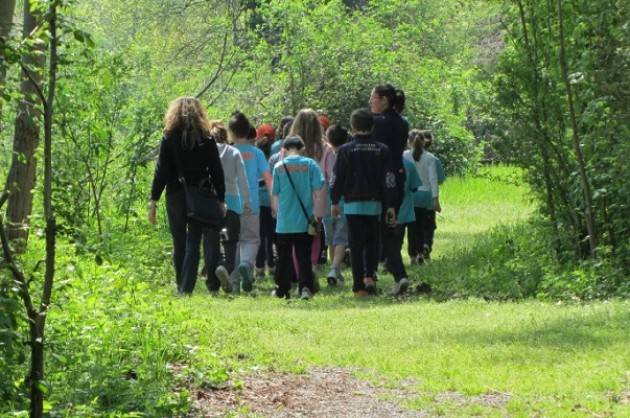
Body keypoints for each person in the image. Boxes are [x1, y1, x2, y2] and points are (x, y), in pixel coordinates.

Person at [149, 97, 225, 294]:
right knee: (193, 242)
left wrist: (154, 199)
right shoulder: (206, 139)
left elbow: (161, 170)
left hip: (175, 194)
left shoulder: (169, 138)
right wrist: (221, 198)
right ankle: (186, 288)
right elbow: (216, 170)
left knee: (179, 241)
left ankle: (181, 286)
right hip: (199, 194)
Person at [330, 109, 396, 297]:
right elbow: (389, 179)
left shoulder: (345, 150)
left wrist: (334, 200)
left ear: (353, 127)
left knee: (356, 244)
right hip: (374, 204)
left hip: (352, 205)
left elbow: (336, 178)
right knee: (373, 243)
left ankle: (359, 286)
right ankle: (370, 276)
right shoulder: (382, 149)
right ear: (372, 126)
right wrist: (390, 204)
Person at [271, 136, 325, 300]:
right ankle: (305, 288)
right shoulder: (310, 164)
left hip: (284, 221)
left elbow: (275, 193)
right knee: (304, 256)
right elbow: (318, 187)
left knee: (283, 257)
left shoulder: (279, 166)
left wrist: (275, 210)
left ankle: (282, 289)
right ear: (302, 148)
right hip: (304, 221)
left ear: (284, 149)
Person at [203, 120, 250, 294]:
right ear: (226, 136)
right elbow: (243, 179)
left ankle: (212, 286)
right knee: (230, 242)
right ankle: (225, 266)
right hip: (232, 203)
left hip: (210, 203)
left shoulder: (204, 152)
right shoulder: (233, 152)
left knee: (210, 244)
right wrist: (246, 202)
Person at [289, 109, 336, 282]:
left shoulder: (288, 149)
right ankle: (312, 268)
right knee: (314, 236)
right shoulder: (325, 149)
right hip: (317, 200)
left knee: (296, 237)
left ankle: (300, 272)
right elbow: (332, 176)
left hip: (293, 199)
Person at [228, 112, 272, 293]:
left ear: (230, 131)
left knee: (232, 242)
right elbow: (268, 179)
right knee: (251, 239)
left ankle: (234, 283)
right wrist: (274, 200)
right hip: (252, 203)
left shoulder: (226, 151)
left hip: (230, 203)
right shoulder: (257, 153)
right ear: (248, 132)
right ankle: (246, 264)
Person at [404, 129, 442, 266]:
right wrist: (435, 199)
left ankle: (413, 255)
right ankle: (421, 252)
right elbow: (433, 179)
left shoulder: (405, 156)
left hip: (410, 195)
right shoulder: (430, 158)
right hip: (425, 195)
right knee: (421, 226)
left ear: (409, 142)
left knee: (411, 227)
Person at [389, 156, 421, 295]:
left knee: (391, 244)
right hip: (404, 211)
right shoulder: (408, 164)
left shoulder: (382, 161)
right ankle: (397, 270)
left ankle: (395, 270)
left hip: (386, 212)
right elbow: (414, 188)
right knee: (398, 241)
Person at [322, 124, 349, 287]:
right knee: (342, 236)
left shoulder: (324, 151)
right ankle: (334, 268)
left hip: (325, 198)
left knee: (330, 237)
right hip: (343, 199)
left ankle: (335, 269)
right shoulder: (348, 155)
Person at [255, 124, 277, 278]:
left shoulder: (256, 156)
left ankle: (259, 267)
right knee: (271, 236)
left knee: (259, 236)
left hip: (258, 200)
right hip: (272, 200)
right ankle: (272, 264)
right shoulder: (275, 157)